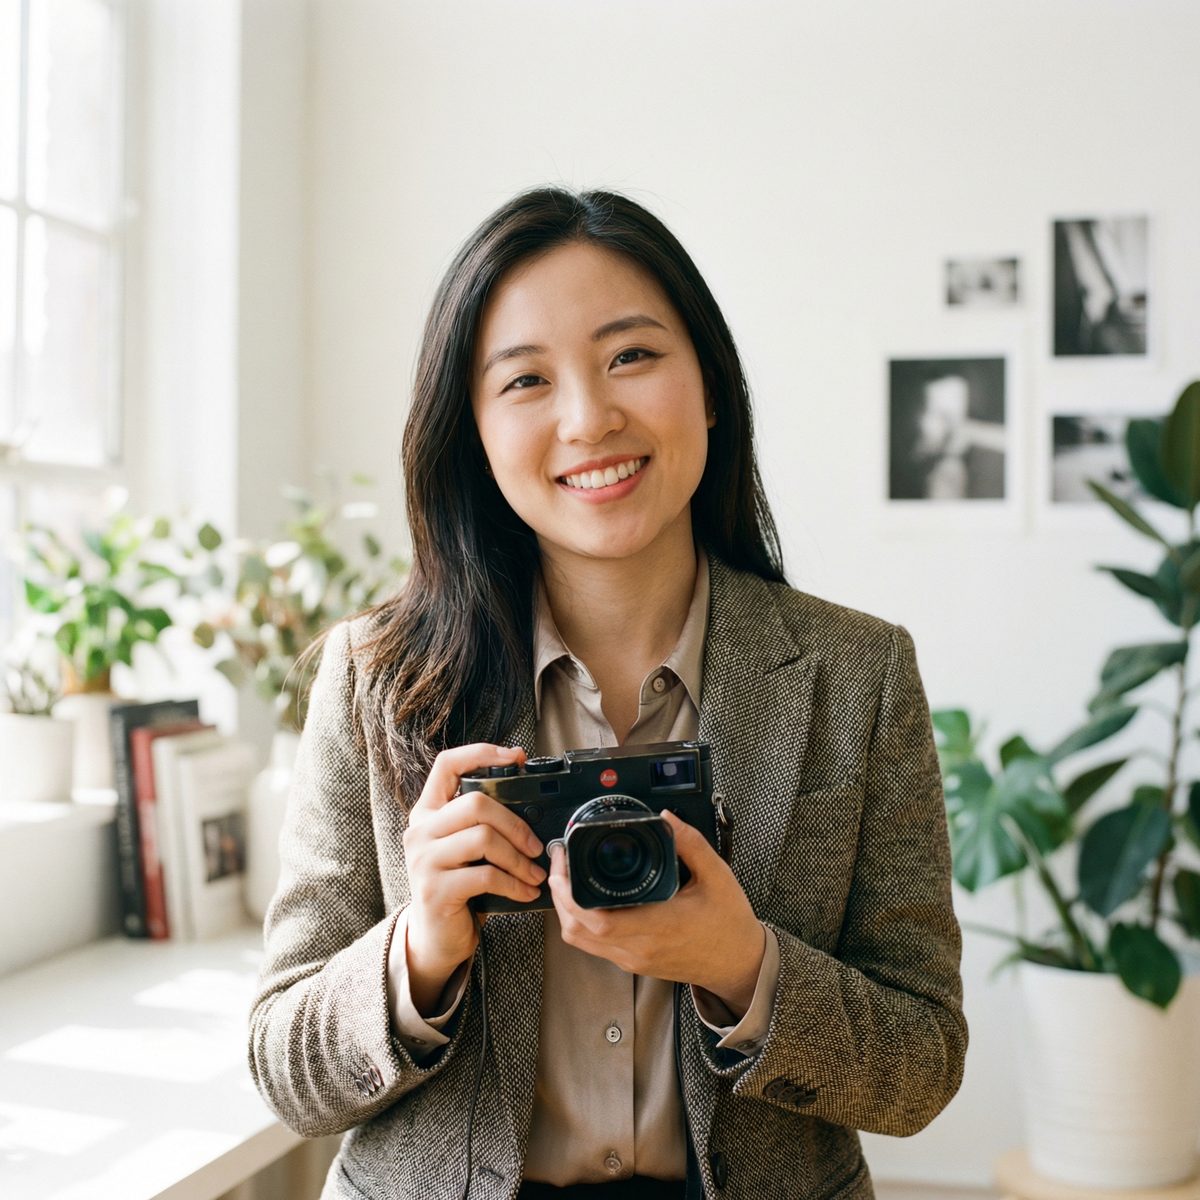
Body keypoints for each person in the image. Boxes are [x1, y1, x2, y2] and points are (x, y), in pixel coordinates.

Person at [248, 187, 968, 1200]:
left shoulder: (857, 677)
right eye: (527, 380)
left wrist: (743, 966)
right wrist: (419, 949)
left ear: (710, 386)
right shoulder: (378, 678)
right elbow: (286, 1070)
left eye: (632, 355)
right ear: (475, 434)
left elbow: (924, 1064)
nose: (589, 419)